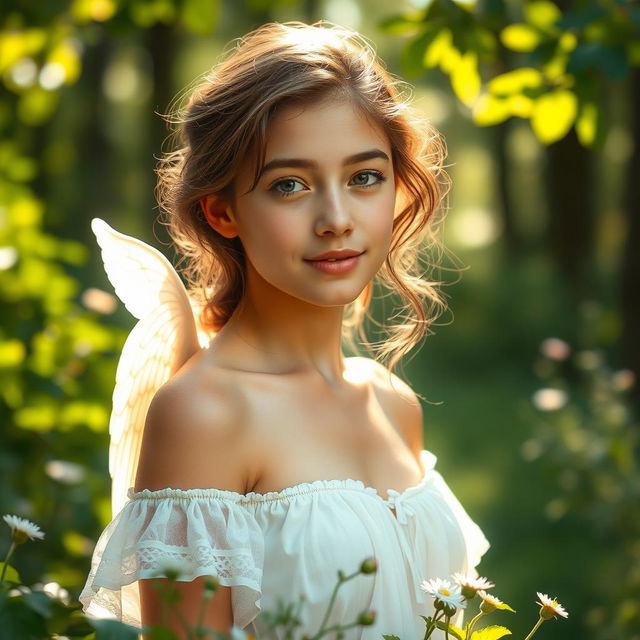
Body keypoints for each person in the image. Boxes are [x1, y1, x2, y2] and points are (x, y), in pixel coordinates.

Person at [80, 21, 490, 640]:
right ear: (222, 211)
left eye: (364, 177)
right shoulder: (204, 413)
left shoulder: (392, 402)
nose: (335, 219)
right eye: (289, 185)